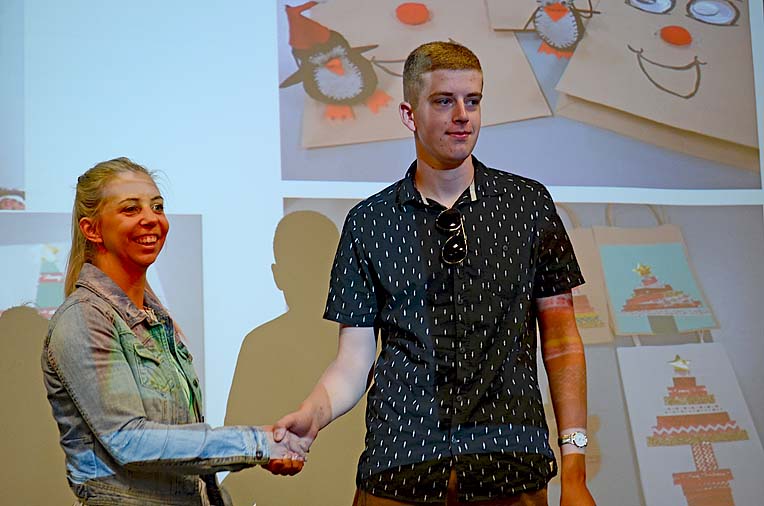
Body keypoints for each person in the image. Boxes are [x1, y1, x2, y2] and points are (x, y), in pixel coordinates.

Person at [274, 42, 596, 505]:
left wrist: (575, 470)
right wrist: (313, 414)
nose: (462, 115)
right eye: (444, 101)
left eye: (473, 101)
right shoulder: (370, 222)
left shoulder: (528, 206)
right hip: (399, 469)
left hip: (509, 465)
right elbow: (353, 361)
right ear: (410, 115)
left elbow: (562, 343)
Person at [41, 158, 309, 506]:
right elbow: (128, 439)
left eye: (157, 207)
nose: (151, 218)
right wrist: (258, 443)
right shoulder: (83, 318)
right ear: (92, 230)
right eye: (130, 209)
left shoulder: (155, 319)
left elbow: (178, 453)